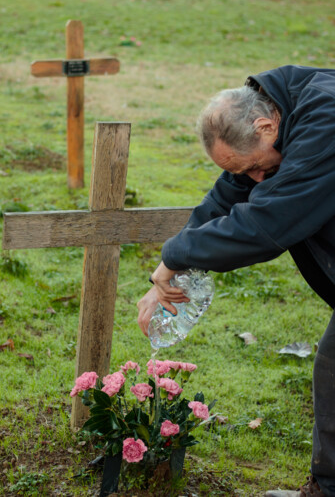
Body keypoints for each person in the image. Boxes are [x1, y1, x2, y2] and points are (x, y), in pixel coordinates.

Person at [137, 65, 335, 497]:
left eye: (256, 168)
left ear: (266, 125)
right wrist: (170, 273)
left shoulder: (326, 118)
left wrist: (174, 257)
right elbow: (230, 195)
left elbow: (268, 223)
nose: (255, 179)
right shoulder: (280, 114)